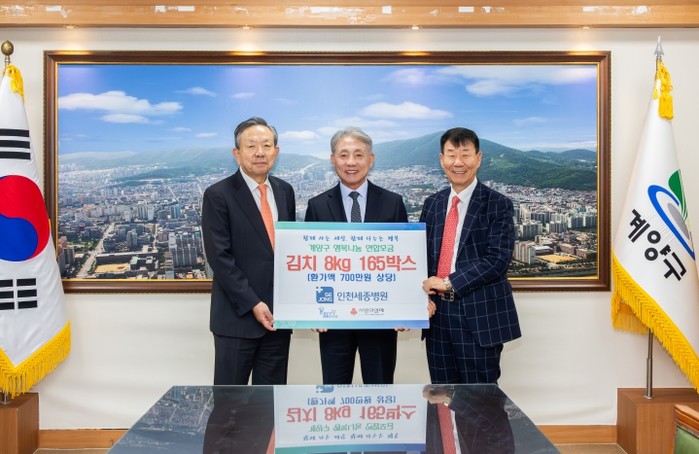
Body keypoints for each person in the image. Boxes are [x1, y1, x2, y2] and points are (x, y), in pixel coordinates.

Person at [305, 127, 408, 385]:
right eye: (344, 155)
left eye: (358, 155)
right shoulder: (317, 206)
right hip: (333, 321)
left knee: (381, 391)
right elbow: (309, 264)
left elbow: (404, 261)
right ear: (333, 160)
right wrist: (312, 310)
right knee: (335, 392)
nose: (351, 162)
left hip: (381, 318)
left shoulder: (393, 202)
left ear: (371, 159)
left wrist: (405, 308)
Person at [420, 127, 521, 384]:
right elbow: (420, 257)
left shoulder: (497, 203)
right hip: (438, 316)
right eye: (451, 155)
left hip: (478, 315)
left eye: (465, 154)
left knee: (481, 398)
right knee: (442, 394)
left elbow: (497, 260)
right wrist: (418, 298)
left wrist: (448, 282)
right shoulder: (432, 203)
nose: (458, 162)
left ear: (478, 158)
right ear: (441, 159)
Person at [201, 116, 296, 385]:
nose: (259, 152)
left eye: (266, 145)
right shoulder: (218, 194)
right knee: (231, 402)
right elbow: (219, 257)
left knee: (271, 401)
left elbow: (289, 252)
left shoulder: (285, 191)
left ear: (276, 152)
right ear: (237, 153)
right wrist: (253, 303)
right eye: (251, 146)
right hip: (237, 318)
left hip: (277, 320)